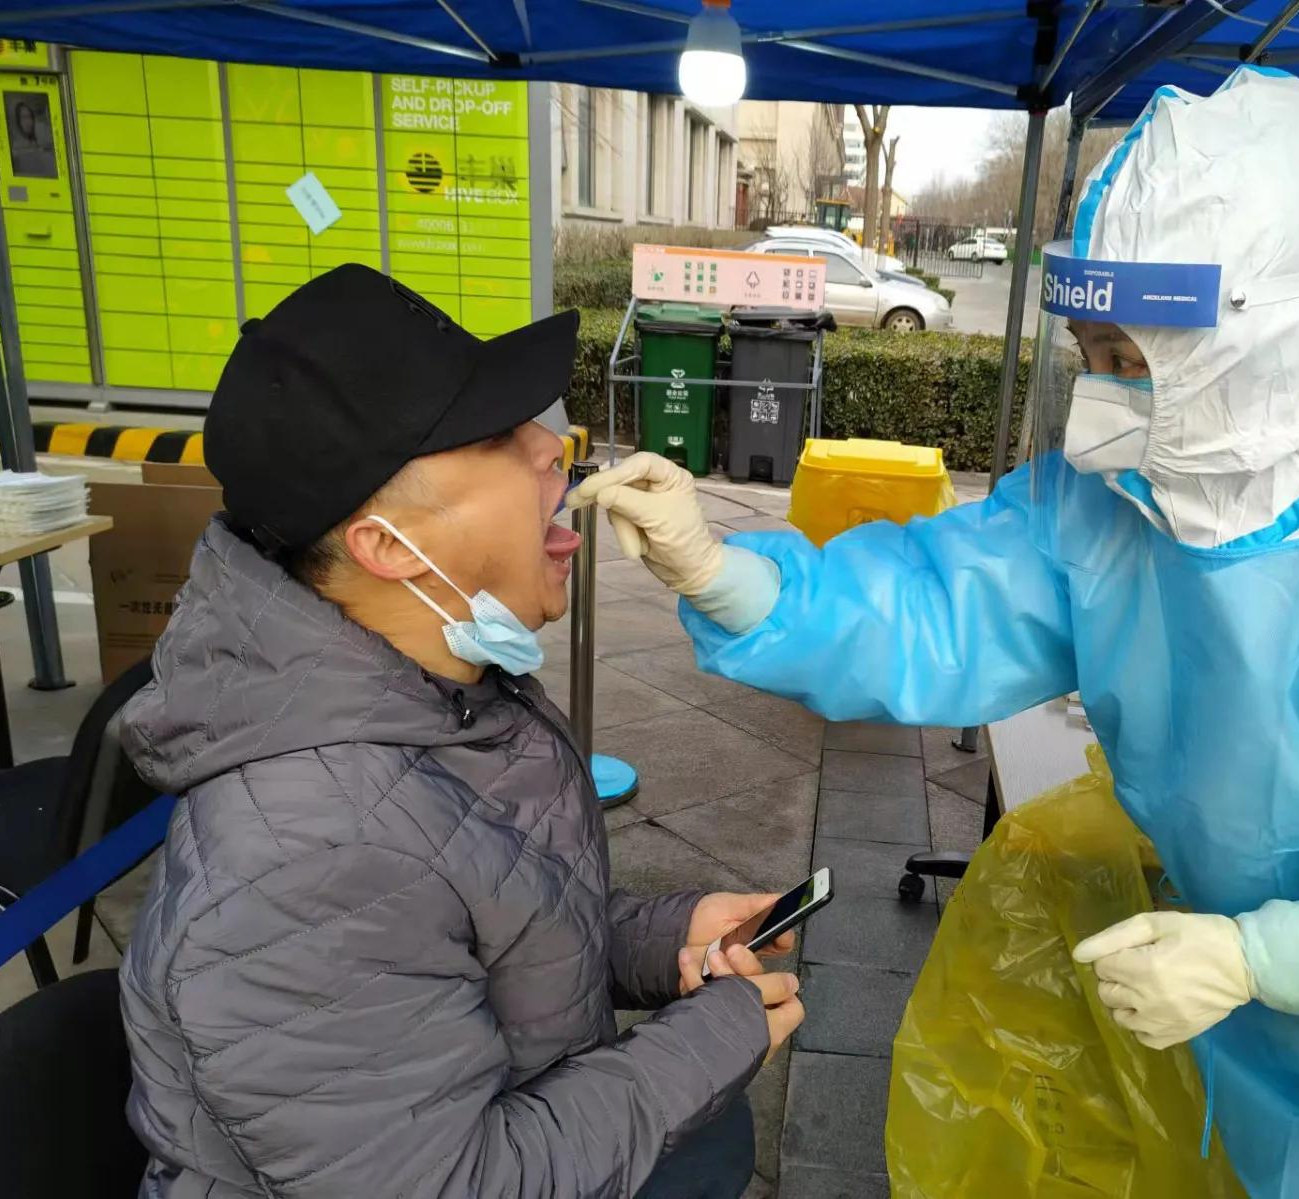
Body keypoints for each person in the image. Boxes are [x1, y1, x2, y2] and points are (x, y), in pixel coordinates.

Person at [571, 68, 1299, 1199]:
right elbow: (939, 601)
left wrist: (1291, 954)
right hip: (1220, 1024)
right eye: (1093, 356)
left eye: (1140, 361)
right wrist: (722, 574)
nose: (1108, 399)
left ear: (1262, 337)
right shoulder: (1119, 499)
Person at [117, 264, 803, 1199]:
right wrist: (717, 1034)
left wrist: (666, 933)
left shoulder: (443, 690)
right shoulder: (306, 858)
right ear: (388, 546)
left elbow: (495, 927)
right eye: (499, 437)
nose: (551, 450)